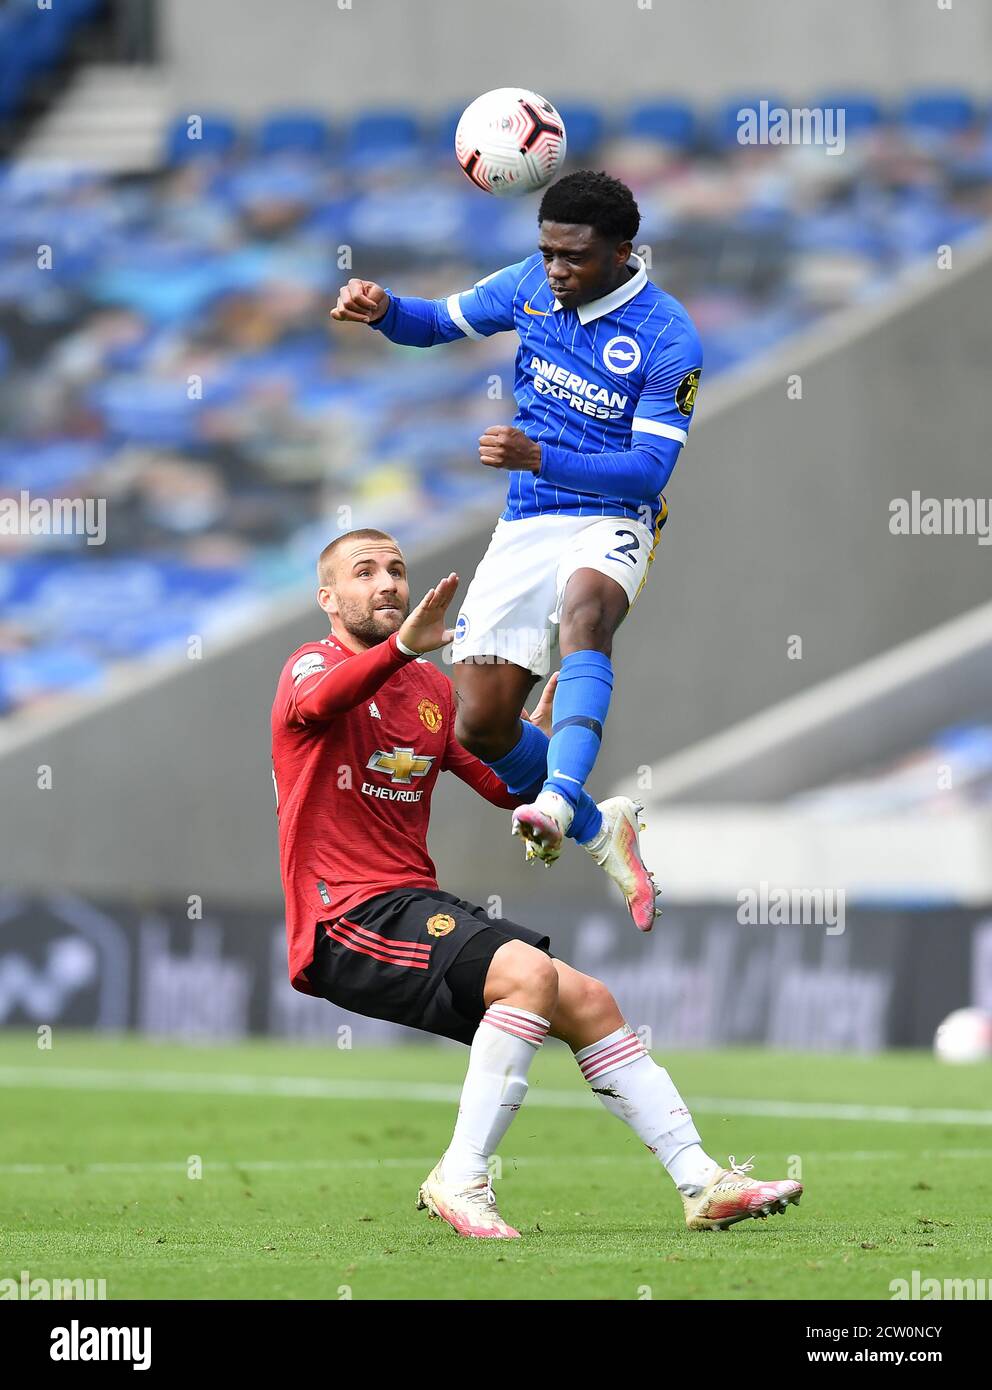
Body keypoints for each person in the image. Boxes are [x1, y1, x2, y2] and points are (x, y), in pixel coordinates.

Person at [270, 528, 802, 1239]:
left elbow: (496, 786)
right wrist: (400, 648)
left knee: (587, 999)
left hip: (408, 900)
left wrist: (526, 739)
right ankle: (460, 1177)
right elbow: (321, 702)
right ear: (327, 598)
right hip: (345, 918)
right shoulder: (310, 666)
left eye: (396, 569)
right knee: (525, 974)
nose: (388, 583)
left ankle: (701, 1180)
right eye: (364, 572)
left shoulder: (430, 688)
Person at [331, 170, 703, 934]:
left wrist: (542, 457)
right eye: (548, 252)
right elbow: (434, 323)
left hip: (614, 511)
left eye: (574, 257)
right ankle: (605, 828)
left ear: (623, 251)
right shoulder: (528, 284)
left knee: (586, 613)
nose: (557, 270)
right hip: (530, 518)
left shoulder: (669, 337)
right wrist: (384, 312)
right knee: (481, 727)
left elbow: (650, 469)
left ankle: (561, 797)